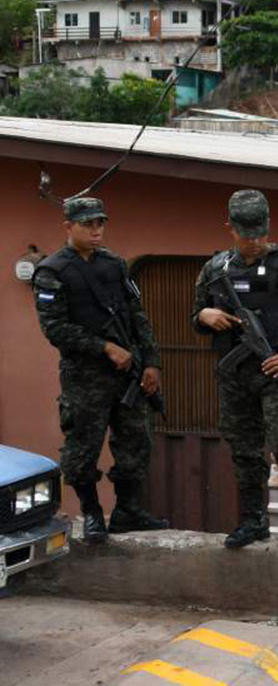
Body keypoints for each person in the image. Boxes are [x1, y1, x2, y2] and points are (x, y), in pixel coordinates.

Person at [191, 189, 278, 555]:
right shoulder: (214, 270)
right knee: (244, 450)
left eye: (259, 234)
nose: (253, 242)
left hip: (276, 375)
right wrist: (205, 316)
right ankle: (254, 520)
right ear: (230, 229)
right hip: (235, 378)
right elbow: (197, 316)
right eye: (246, 234)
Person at [32, 197, 168, 543]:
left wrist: (150, 361)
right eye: (88, 224)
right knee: (82, 448)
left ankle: (127, 511)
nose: (96, 230)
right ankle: (92, 514)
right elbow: (54, 329)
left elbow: (137, 315)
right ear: (68, 227)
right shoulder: (52, 271)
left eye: (100, 223)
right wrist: (104, 347)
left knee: (136, 441)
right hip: (85, 376)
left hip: (128, 373)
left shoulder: (114, 265)